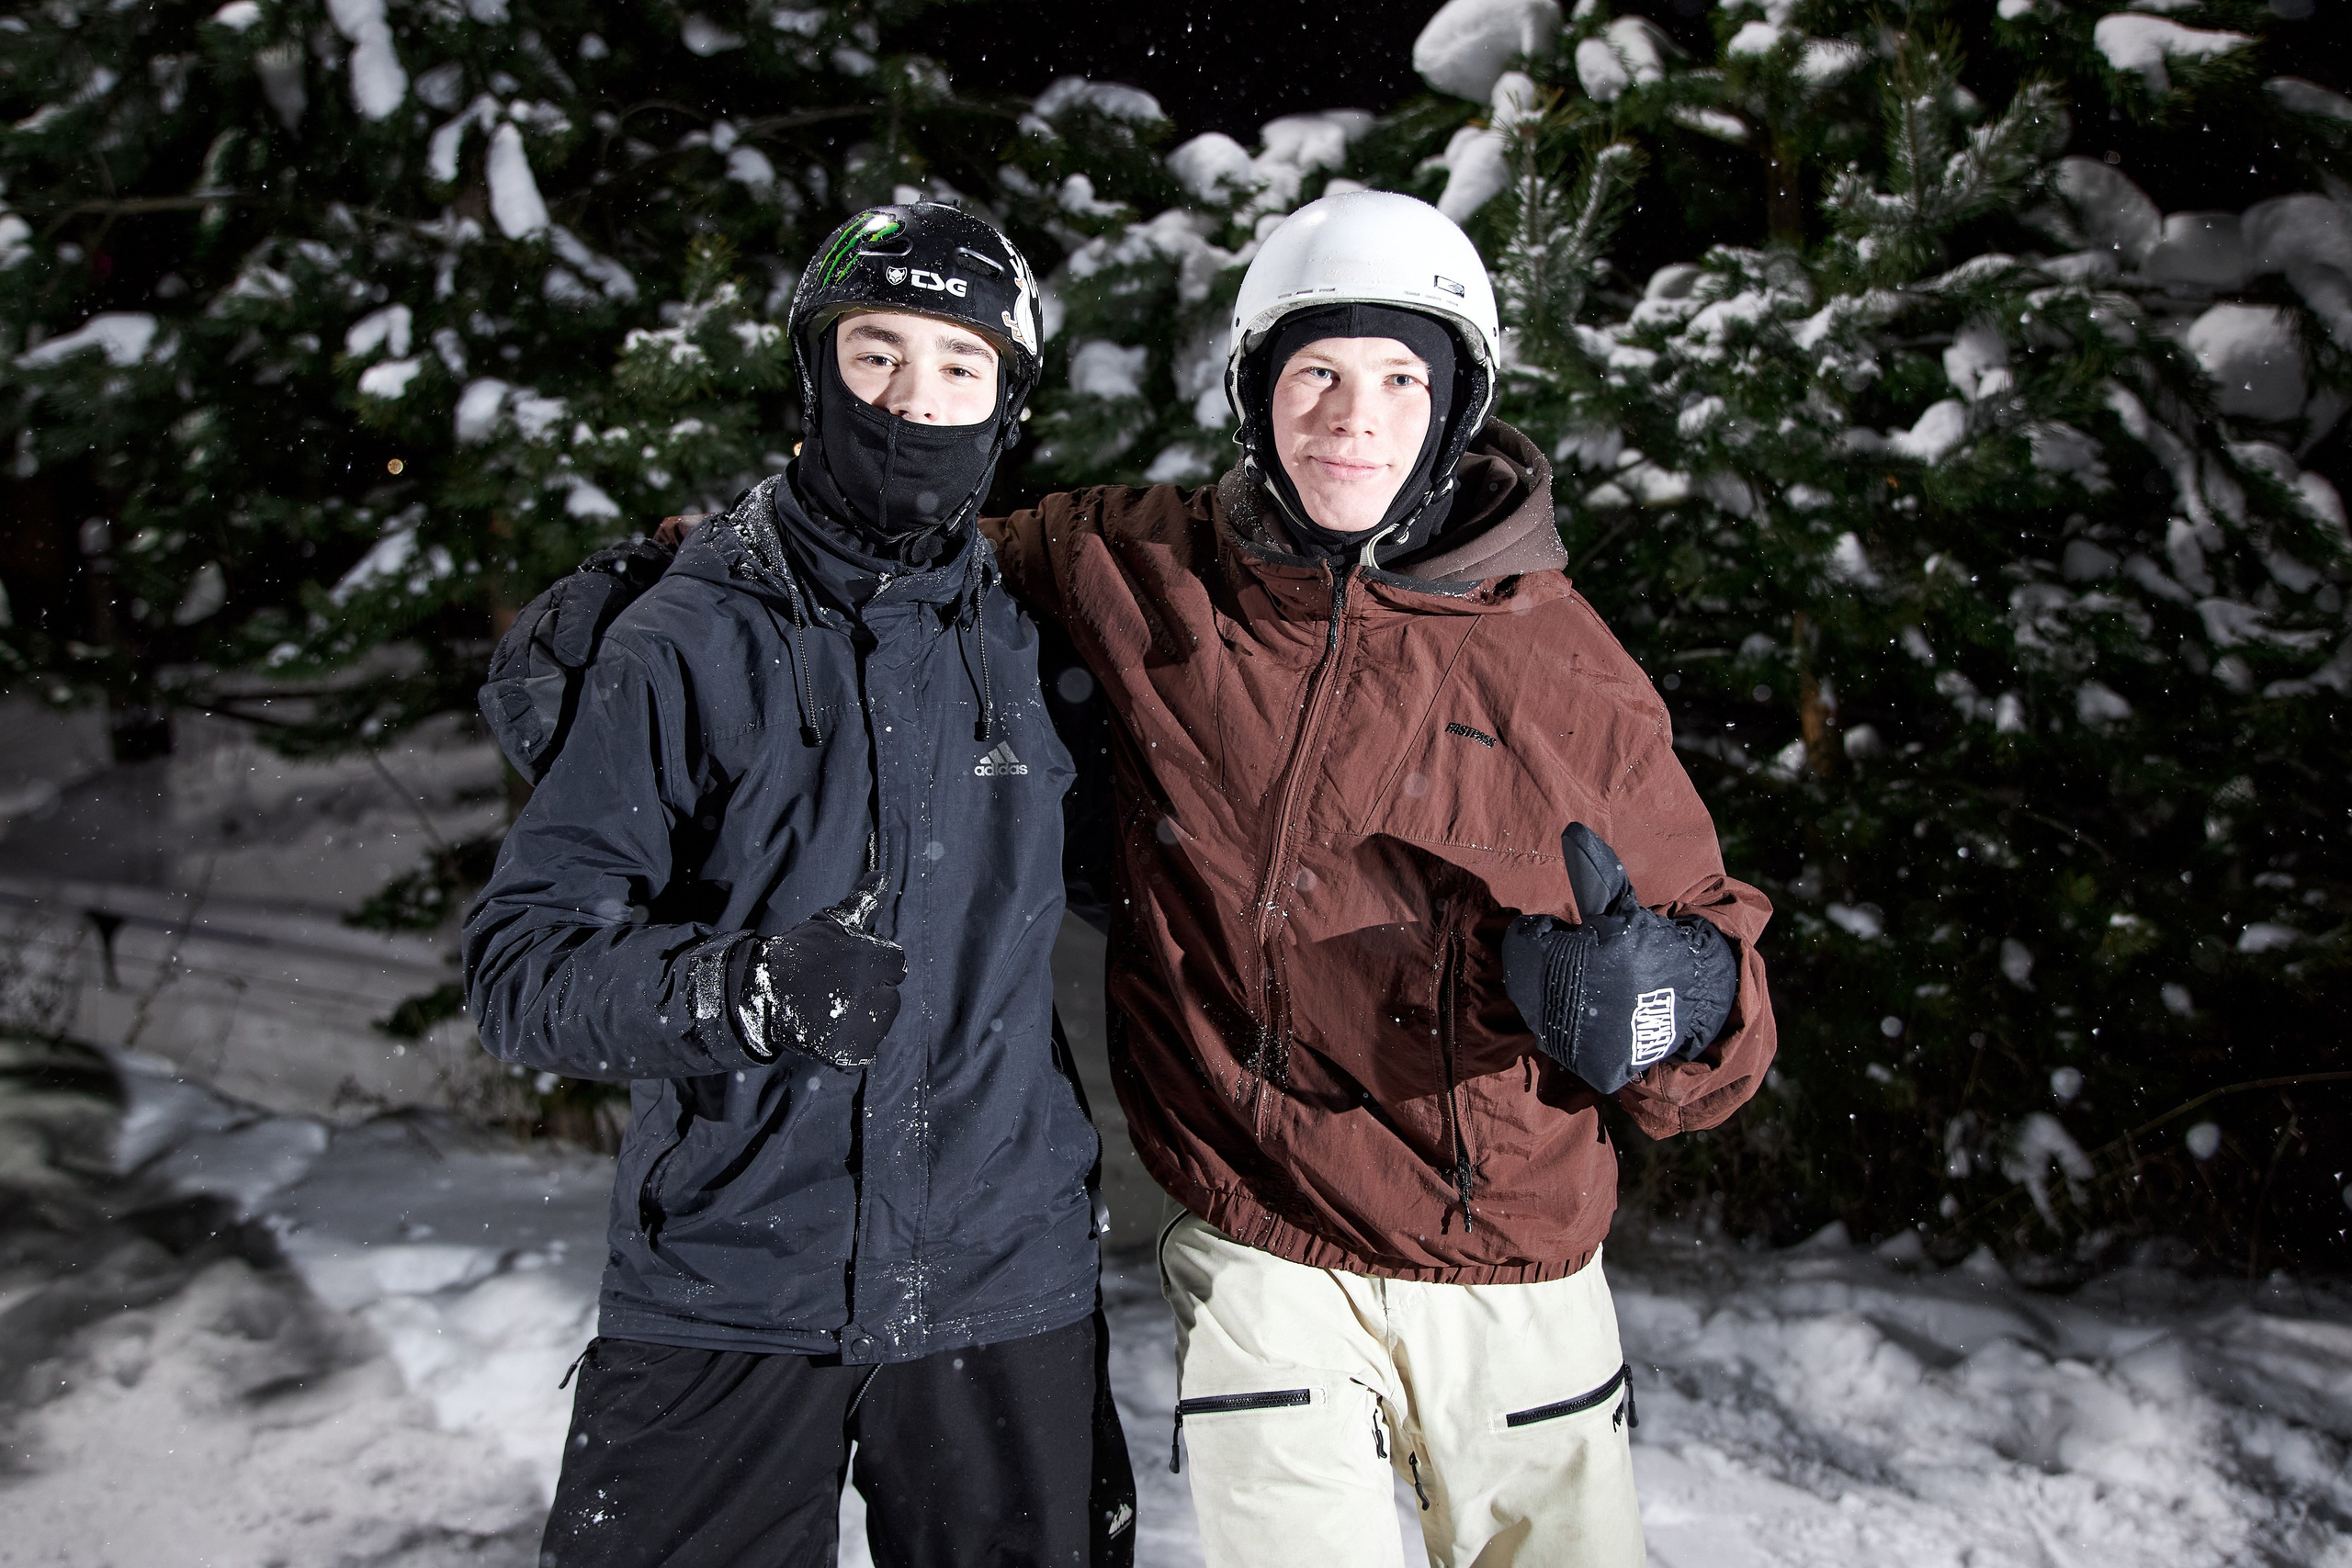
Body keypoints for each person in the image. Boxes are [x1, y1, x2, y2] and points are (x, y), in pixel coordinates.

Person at [975, 190, 1777, 1565]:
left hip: (1510, 1257)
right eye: (1319, 373)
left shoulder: (1563, 669)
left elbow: (1716, 997)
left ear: (1455, 406)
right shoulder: (1149, 571)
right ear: (1255, 394)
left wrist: (1671, 995)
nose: (1355, 416)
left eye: (1402, 378)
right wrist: (682, 585)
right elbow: (885, 549)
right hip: (1262, 1233)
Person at [462, 202, 1135, 1568]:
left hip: (1003, 1285)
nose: (912, 401)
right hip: (728, 1276)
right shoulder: (686, 640)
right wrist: (739, 988)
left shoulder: (1035, 640)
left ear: (1010, 402)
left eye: (960, 367)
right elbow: (521, 970)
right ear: (813, 370)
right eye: (876, 355)